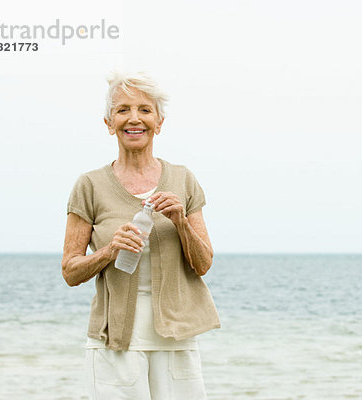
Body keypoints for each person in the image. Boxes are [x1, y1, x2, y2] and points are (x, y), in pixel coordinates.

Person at [61, 71, 220, 400]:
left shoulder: (183, 179)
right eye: (123, 110)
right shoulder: (89, 186)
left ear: (159, 122)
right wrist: (108, 251)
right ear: (109, 123)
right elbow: (70, 271)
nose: (134, 118)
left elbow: (203, 264)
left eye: (145, 110)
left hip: (176, 341)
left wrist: (180, 221)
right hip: (114, 344)